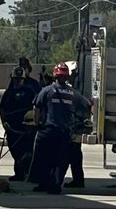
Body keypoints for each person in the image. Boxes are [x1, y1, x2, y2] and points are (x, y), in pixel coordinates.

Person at [32, 61, 85, 195]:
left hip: (49, 131)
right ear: (66, 76)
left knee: (44, 158)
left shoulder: (46, 90)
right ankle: (55, 184)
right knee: (61, 161)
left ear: (55, 76)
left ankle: (43, 183)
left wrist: (37, 123)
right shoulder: (74, 93)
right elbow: (87, 105)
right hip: (65, 132)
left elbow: (36, 108)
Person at [0, 64, 38, 180]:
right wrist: (3, 122)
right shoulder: (8, 93)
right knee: (15, 151)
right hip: (12, 128)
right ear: (12, 79)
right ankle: (18, 173)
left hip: (26, 128)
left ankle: (27, 172)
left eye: (21, 79)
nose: (18, 81)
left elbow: (37, 107)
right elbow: (2, 109)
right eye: (16, 79)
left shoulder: (30, 92)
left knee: (27, 151)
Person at [61, 89, 94, 189]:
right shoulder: (76, 94)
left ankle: (57, 181)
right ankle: (78, 180)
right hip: (78, 128)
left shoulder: (60, 93)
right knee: (75, 156)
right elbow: (90, 105)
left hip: (72, 128)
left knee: (66, 156)